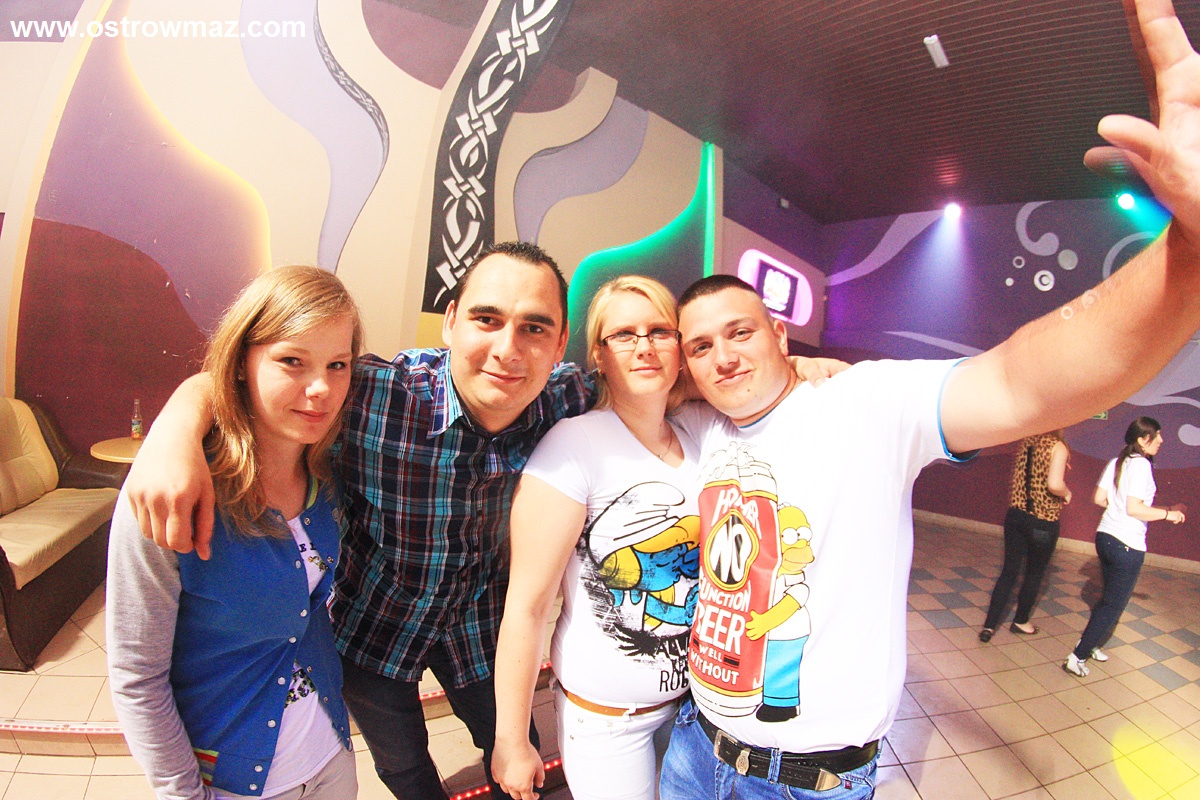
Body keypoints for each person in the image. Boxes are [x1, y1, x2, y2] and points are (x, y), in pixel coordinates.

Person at [661, 2, 1200, 794]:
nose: (722, 357)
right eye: (700, 346)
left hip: (802, 780)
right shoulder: (696, 429)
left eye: (739, 332)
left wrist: (1189, 246)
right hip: (691, 751)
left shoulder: (865, 404)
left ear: (780, 332)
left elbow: (1022, 380)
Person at [122, 243, 844, 800]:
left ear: (562, 343)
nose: (507, 349)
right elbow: (253, 376)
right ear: (451, 321)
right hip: (376, 631)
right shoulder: (371, 393)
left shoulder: (568, 400)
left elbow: (673, 380)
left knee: (514, 756)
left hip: (483, 632)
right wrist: (175, 429)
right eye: (487, 319)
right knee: (407, 771)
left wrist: (803, 372)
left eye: (535, 328)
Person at [107, 265, 363, 800]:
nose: (321, 388)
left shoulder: (329, 472)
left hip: (332, 756)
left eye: (337, 365)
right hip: (232, 780)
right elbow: (137, 678)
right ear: (243, 361)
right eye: (292, 360)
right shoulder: (174, 492)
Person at [491, 276, 700, 800]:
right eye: (624, 335)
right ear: (599, 356)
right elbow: (527, 606)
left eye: (659, 331)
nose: (644, 346)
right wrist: (511, 739)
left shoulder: (699, 434)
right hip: (611, 724)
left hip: (696, 712)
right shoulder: (574, 444)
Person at [1063, 417, 1185, 677]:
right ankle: (1077, 656)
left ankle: (1090, 643)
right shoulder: (1141, 465)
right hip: (1127, 545)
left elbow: (1100, 498)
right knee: (1112, 605)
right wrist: (1168, 514)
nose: (1161, 440)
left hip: (1106, 537)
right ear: (1142, 439)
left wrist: (1119, 512)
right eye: (1157, 435)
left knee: (1108, 599)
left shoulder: (1117, 461)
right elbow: (1134, 508)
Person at [979, 430, 1072, 643]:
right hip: (1042, 520)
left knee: (1008, 572)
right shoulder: (1057, 447)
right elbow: (1054, 484)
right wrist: (1066, 492)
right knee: (1034, 574)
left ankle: (989, 626)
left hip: (1016, 516)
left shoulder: (1028, 439)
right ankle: (1021, 621)